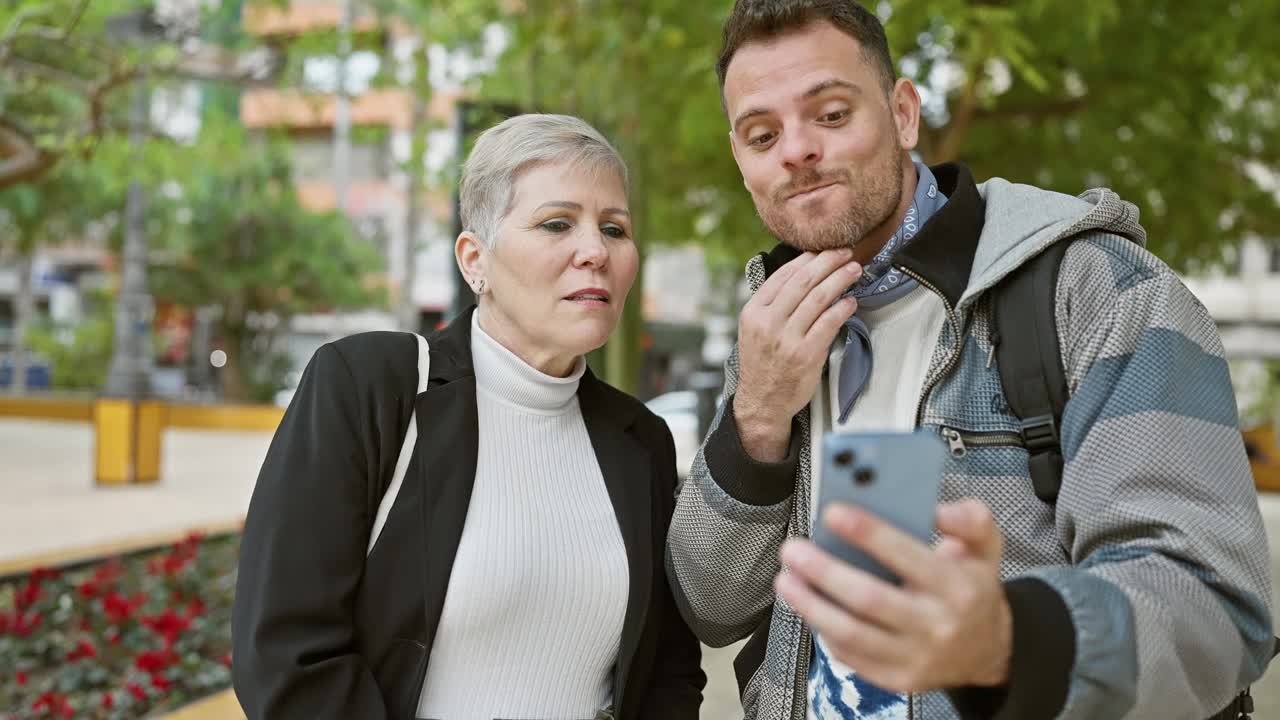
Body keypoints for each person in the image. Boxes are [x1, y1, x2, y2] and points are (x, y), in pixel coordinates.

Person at [665, 2, 1274, 719]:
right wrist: (758, 417)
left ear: (902, 114)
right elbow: (711, 606)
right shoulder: (770, 331)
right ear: (741, 161)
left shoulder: (1098, 290)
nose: (796, 150)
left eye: (830, 114)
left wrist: (1011, 642)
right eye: (762, 134)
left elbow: (1210, 604)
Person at [233, 113, 705, 720]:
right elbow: (285, 657)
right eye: (557, 223)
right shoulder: (369, 387)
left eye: (614, 229)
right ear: (474, 258)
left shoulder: (641, 439)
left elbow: (666, 668)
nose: (595, 252)